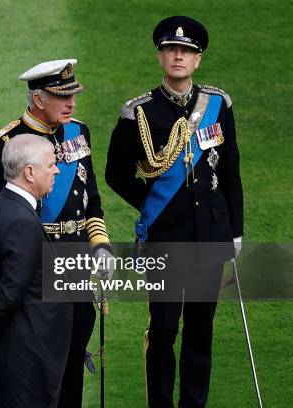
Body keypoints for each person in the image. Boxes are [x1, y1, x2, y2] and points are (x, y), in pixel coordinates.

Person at [0, 59, 113, 407]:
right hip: (32, 273)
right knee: (23, 370)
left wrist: (100, 246)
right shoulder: (4, 144)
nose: (71, 104)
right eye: (62, 97)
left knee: (71, 364)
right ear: (38, 99)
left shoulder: (79, 133)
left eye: (73, 96)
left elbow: (90, 199)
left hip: (75, 267)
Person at [105, 16, 243, 407]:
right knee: (164, 329)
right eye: (171, 50)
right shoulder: (138, 113)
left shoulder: (218, 104)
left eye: (186, 51)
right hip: (165, 239)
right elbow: (116, 174)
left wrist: (235, 232)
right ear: (160, 57)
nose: (178, 56)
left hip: (211, 237)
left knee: (201, 330)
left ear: (197, 60)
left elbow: (230, 168)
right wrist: (153, 203)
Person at [0, 134, 72, 407]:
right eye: (51, 164)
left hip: (0, 355)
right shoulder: (22, 221)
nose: (56, 169)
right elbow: (11, 293)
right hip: (25, 357)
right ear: (29, 172)